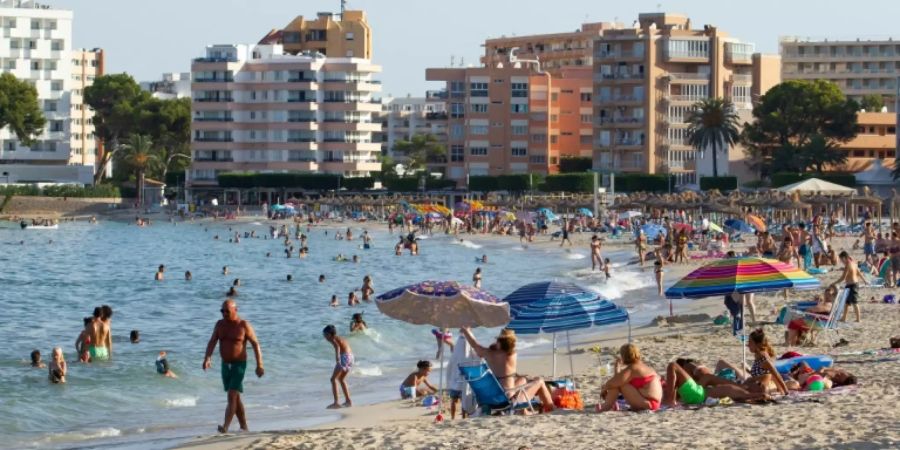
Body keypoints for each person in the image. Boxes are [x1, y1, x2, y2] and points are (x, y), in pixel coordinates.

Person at [203, 300, 264, 434]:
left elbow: (255, 344)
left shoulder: (244, 325)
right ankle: (244, 426)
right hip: (225, 365)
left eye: (227, 311)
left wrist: (259, 364)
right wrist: (207, 358)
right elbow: (212, 341)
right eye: (222, 311)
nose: (224, 314)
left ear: (235, 310)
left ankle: (225, 426)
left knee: (231, 395)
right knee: (235, 397)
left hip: (239, 365)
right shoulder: (220, 325)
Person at [460, 327, 554, 413]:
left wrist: (466, 330)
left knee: (522, 379)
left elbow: (475, 344)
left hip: (492, 399)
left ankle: (524, 412)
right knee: (540, 380)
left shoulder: (488, 353)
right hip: (509, 400)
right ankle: (551, 409)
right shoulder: (511, 355)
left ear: (498, 341)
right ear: (511, 343)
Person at [662, 359, 767, 407]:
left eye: (758, 385)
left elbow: (757, 396)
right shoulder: (741, 390)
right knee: (673, 368)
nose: (757, 382)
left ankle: (670, 400)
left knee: (673, 365)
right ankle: (670, 399)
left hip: (698, 393)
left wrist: (762, 395)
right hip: (698, 394)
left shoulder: (743, 392)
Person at [716, 329, 789, 396]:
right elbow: (761, 373)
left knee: (723, 384)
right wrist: (748, 370)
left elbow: (776, 375)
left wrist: (785, 392)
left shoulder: (764, 359)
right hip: (751, 385)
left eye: (750, 342)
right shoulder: (758, 356)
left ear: (758, 344)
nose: (748, 345)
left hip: (756, 389)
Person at [598, 344, 662, 412]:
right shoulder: (644, 367)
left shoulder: (632, 368)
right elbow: (617, 380)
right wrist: (617, 368)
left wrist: (604, 390)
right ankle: (609, 404)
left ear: (624, 356)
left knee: (616, 384)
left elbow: (612, 383)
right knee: (618, 383)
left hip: (648, 405)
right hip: (653, 404)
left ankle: (606, 407)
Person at [323, 324, 353, 409]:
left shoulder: (333, 339)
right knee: (341, 379)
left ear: (329, 334)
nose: (324, 336)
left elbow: (337, 346)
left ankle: (336, 402)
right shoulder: (339, 338)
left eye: (325, 334)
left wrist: (337, 357)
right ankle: (348, 401)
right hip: (350, 357)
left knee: (333, 379)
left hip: (344, 357)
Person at [830, 251, 862, 322]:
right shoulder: (853, 263)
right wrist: (864, 280)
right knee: (846, 303)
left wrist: (834, 283)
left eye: (841, 260)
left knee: (854, 302)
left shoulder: (848, 265)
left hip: (852, 285)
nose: (841, 262)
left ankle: (858, 319)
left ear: (844, 258)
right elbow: (858, 272)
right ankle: (844, 318)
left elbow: (843, 278)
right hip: (852, 284)